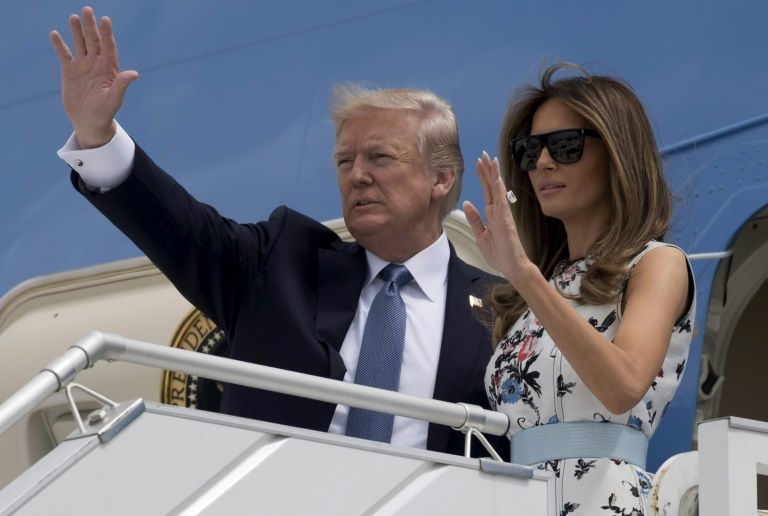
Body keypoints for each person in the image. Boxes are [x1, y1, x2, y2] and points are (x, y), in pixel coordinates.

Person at [50, 7, 503, 456]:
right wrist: (98, 135)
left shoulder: (508, 310)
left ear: (441, 178)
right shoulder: (282, 264)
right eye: (345, 161)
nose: (357, 175)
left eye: (380, 158)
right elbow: (182, 230)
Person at [462, 63, 695, 513]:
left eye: (565, 146)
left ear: (616, 153)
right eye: (530, 152)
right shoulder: (536, 291)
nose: (543, 162)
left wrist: (525, 275)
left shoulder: (657, 264)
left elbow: (623, 384)